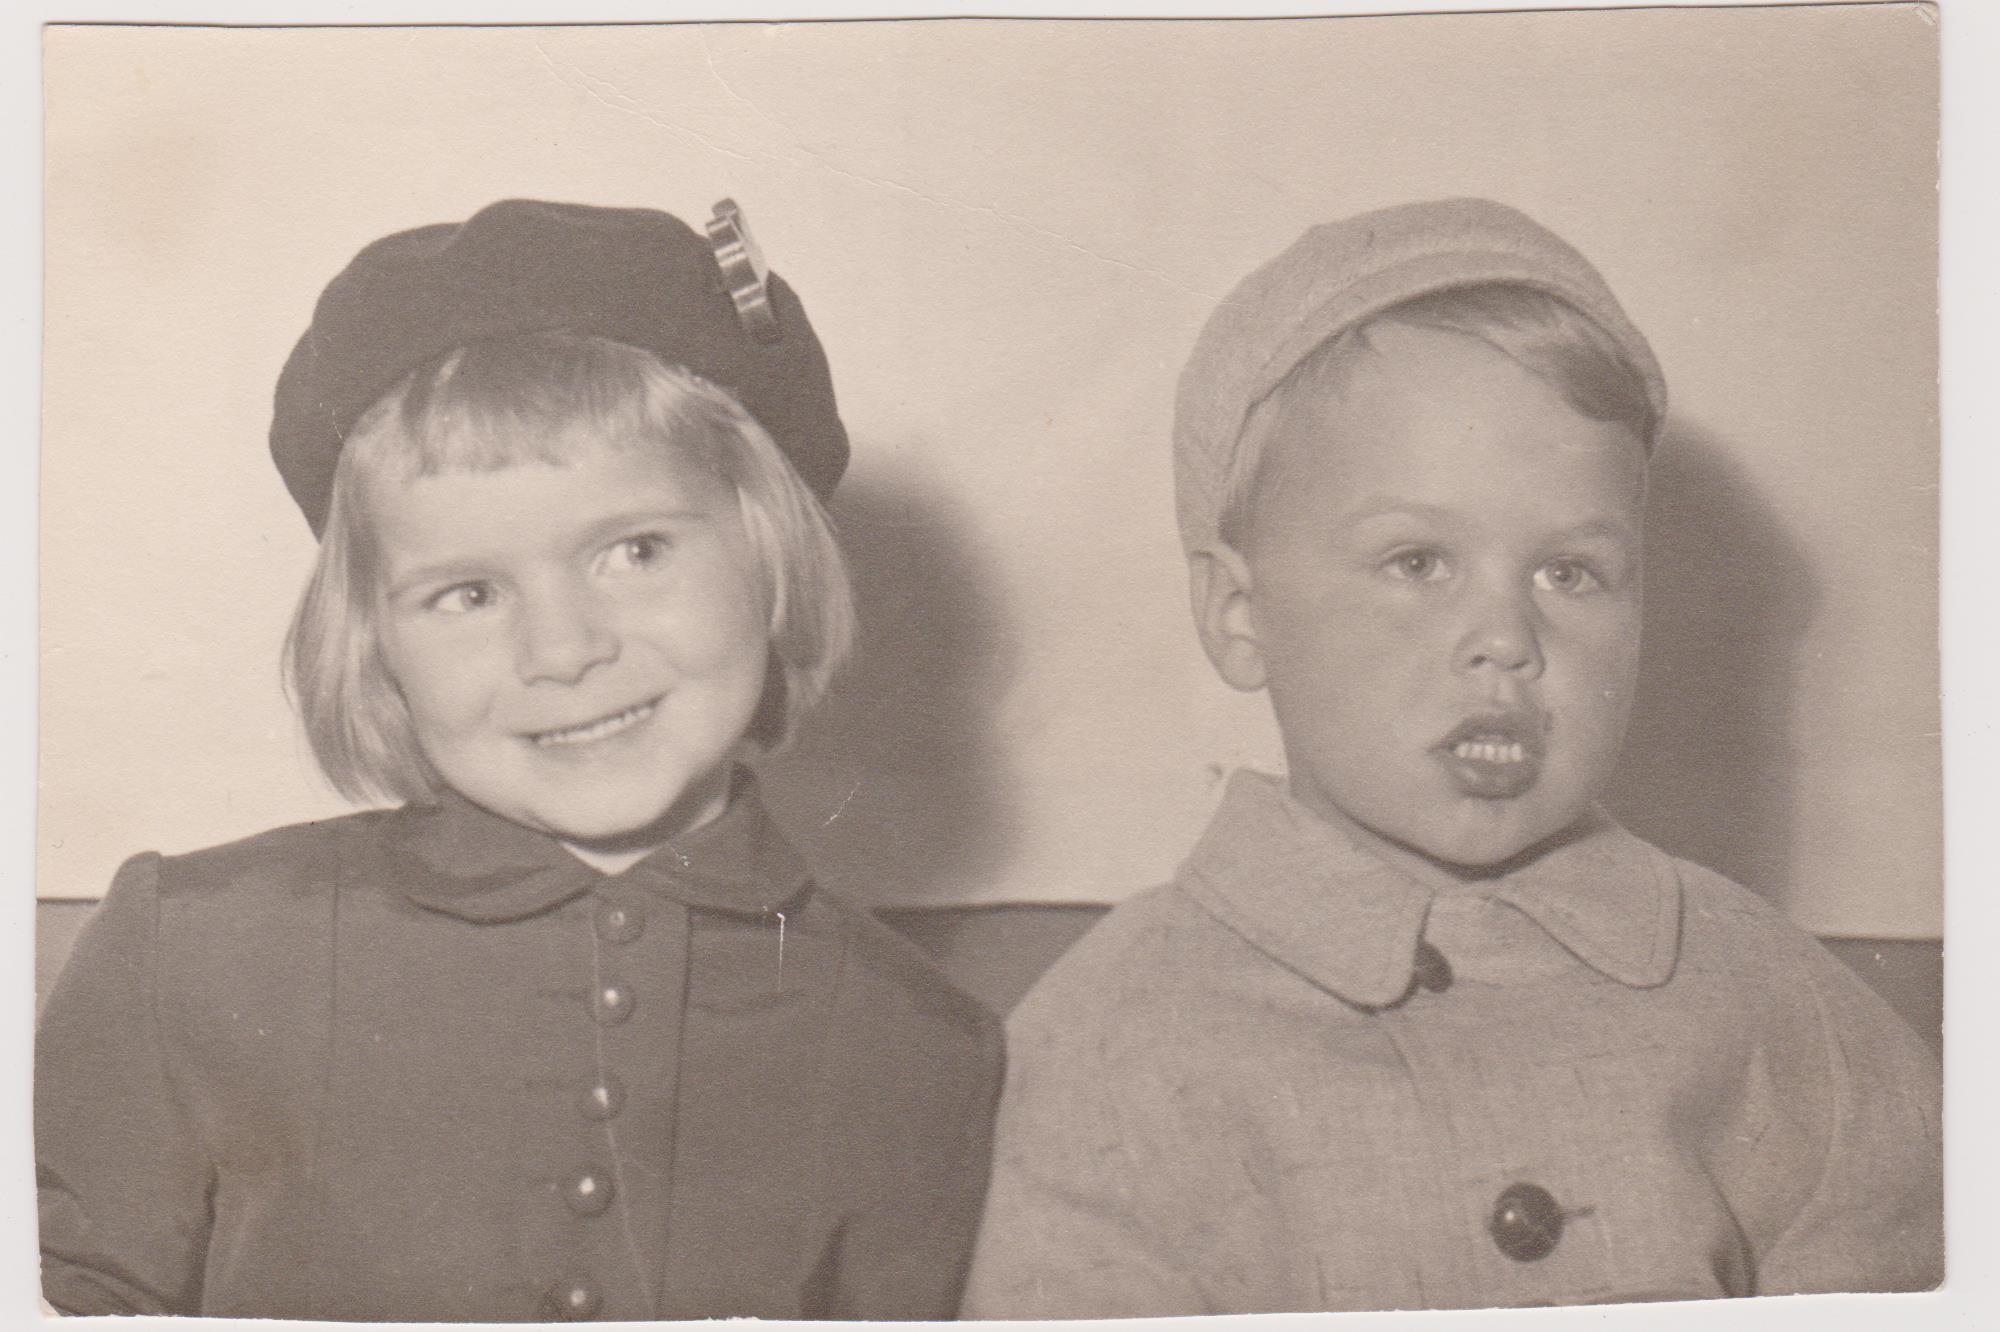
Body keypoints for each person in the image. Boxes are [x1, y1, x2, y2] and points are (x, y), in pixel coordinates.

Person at [961, 198, 1942, 1314]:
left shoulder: (1778, 1007)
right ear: (1241, 614)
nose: (1506, 643)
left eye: (1568, 573)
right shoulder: (1110, 1045)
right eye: (1418, 561)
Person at [37, 198, 1003, 1321]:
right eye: (468, 593)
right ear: (374, 646)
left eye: (634, 550)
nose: (563, 651)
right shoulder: (191, 951)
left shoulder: (924, 1050)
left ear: (772, 558)